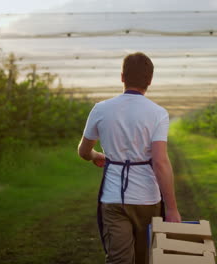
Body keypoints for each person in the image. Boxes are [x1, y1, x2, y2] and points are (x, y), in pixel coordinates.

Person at [77, 52, 181, 264]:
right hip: (148, 198)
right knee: (146, 259)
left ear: (122, 76)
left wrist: (96, 155)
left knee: (118, 260)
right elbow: (160, 162)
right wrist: (172, 208)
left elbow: (83, 151)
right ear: (150, 80)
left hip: (113, 198)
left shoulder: (101, 109)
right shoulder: (158, 113)